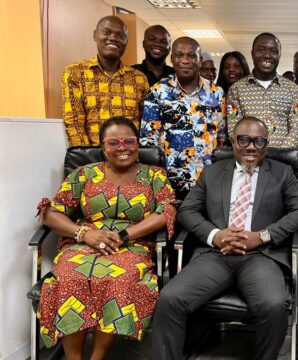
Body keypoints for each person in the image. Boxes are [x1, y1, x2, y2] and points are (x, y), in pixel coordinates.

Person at [152, 117, 298, 360]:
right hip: (216, 255)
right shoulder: (213, 172)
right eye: (244, 140)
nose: (251, 147)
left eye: (259, 141)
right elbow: (187, 211)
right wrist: (216, 235)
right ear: (233, 141)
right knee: (170, 298)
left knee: (273, 305)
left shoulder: (282, 173)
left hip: (261, 256)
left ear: (266, 146)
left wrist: (262, 236)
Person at [36, 116, 176, 359]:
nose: (122, 147)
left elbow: (167, 210)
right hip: (83, 245)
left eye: (128, 141)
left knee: (117, 281)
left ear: (137, 143)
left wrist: (123, 235)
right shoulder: (84, 174)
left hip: (133, 247)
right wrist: (85, 233)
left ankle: (97, 356)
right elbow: (51, 212)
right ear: (103, 146)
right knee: (70, 278)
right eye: (113, 142)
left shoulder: (154, 176)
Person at [140, 37, 224, 199]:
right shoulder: (158, 92)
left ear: (200, 61)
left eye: (191, 56)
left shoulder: (216, 93)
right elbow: (148, 142)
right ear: (172, 59)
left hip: (208, 181)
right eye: (179, 55)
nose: (185, 61)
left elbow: (222, 138)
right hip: (169, 181)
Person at [62, 16, 149, 146]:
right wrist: (87, 158)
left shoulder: (139, 78)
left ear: (126, 41)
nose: (113, 38)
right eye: (107, 32)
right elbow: (74, 122)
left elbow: (145, 124)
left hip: (130, 156)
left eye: (120, 35)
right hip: (92, 157)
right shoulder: (75, 73)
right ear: (95, 35)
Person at [226, 33, 298, 149]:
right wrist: (254, 152)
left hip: (283, 162)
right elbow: (234, 130)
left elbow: (295, 130)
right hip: (248, 158)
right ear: (252, 54)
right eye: (261, 50)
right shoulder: (236, 89)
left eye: (273, 51)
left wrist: (277, 155)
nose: (267, 55)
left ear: (279, 55)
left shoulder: (292, 89)